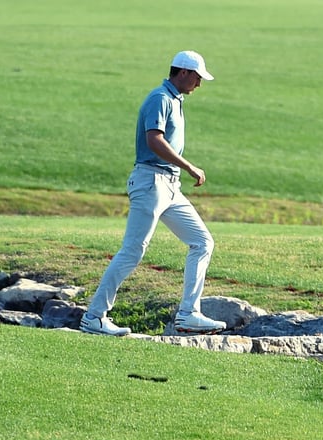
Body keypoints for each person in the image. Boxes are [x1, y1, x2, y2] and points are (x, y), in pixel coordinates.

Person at [80, 50, 226, 336]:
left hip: (170, 187)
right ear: (183, 73)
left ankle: (188, 314)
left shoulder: (174, 99)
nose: (199, 83)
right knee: (133, 251)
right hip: (151, 182)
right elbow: (154, 140)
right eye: (197, 77)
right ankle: (94, 317)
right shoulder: (160, 98)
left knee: (202, 242)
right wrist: (189, 166)